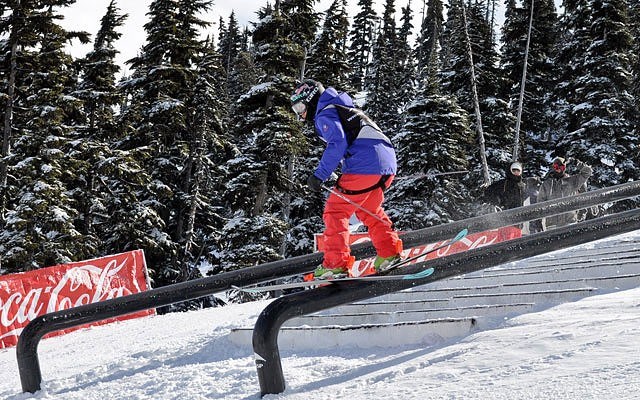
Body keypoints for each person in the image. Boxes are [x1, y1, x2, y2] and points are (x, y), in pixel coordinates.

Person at [290, 79, 403, 279]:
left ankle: (335, 264)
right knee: (368, 210)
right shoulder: (343, 108)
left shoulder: (324, 113)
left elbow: (337, 143)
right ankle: (389, 253)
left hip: (365, 164)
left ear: (310, 99)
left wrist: (319, 175)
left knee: (335, 211)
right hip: (386, 164)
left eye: (300, 107)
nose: (300, 115)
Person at [537, 156, 592, 230]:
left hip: (569, 222)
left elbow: (587, 172)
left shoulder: (572, 181)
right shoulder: (547, 184)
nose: (559, 170)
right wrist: (539, 221)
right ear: (553, 167)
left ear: (564, 168)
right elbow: (540, 204)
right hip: (552, 224)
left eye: (561, 167)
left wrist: (576, 163)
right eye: (556, 167)